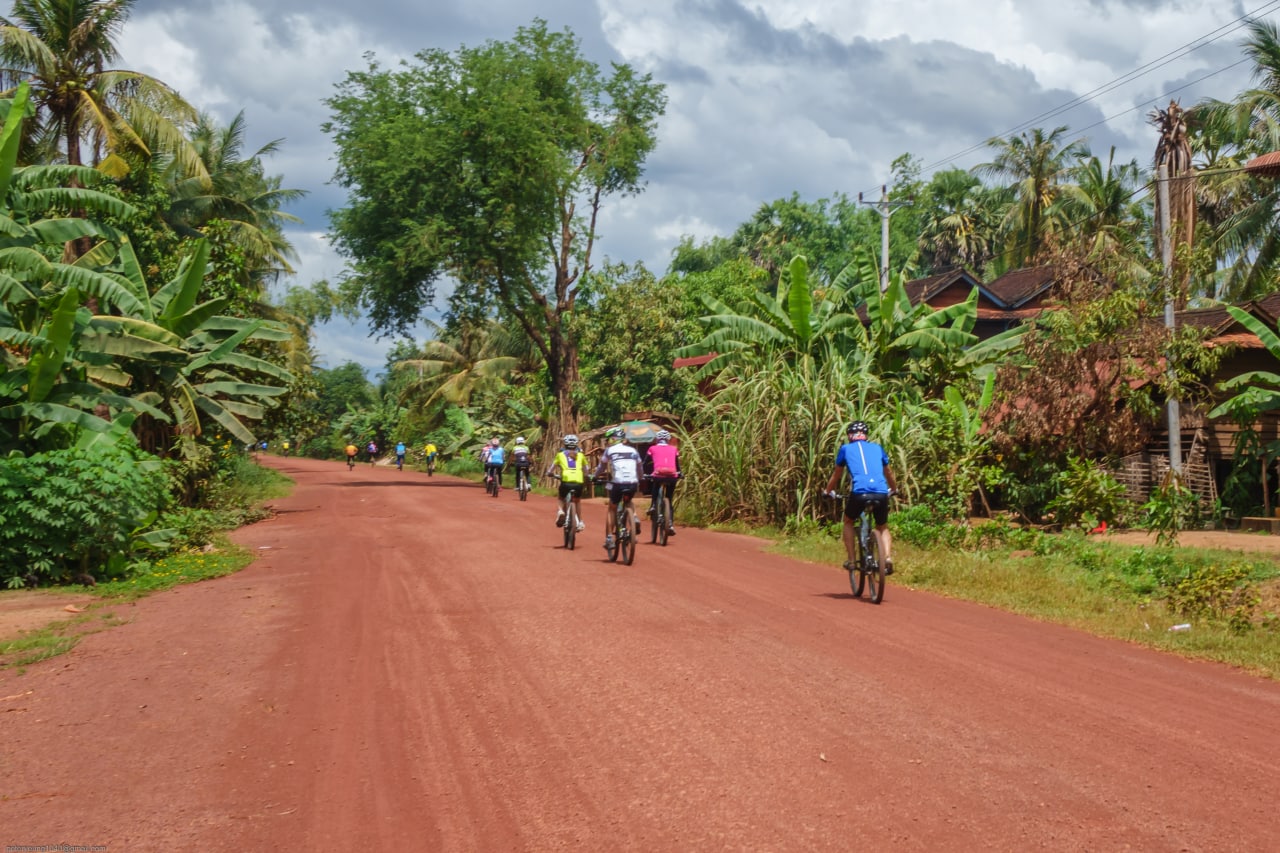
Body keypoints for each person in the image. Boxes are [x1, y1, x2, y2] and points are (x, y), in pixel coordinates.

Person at [824, 420, 898, 575]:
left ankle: (851, 561)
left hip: (859, 493)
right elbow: (888, 473)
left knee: (848, 521)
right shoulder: (877, 448)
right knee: (882, 526)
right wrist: (894, 489)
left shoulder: (845, 449)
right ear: (865, 435)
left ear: (850, 436)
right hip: (881, 492)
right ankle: (888, 558)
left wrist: (827, 491)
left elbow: (836, 474)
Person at [594, 426, 643, 551]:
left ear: (613, 439)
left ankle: (609, 538)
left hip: (618, 483)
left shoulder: (609, 451)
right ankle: (635, 517)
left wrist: (595, 476)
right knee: (628, 501)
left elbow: (602, 467)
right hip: (632, 483)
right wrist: (641, 478)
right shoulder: (633, 451)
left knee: (612, 507)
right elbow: (639, 466)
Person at [546, 434, 587, 531]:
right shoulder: (581, 455)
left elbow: (552, 468)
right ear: (576, 445)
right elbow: (586, 470)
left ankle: (560, 511)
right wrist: (587, 476)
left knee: (561, 497)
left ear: (565, 444)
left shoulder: (560, 455)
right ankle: (580, 522)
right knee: (577, 501)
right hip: (578, 482)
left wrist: (549, 473)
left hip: (566, 481)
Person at [646, 429, 681, 536]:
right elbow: (677, 465)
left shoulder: (652, 448)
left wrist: (645, 474)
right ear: (668, 439)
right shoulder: (674, 449)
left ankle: (652, 506)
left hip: (658, 475)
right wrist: (680, 473)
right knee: (669, 499)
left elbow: (645, 462)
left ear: (657, 439)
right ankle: (670, 524)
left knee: (655, 486)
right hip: (672, 476)